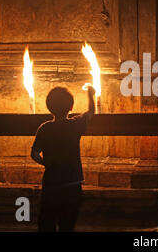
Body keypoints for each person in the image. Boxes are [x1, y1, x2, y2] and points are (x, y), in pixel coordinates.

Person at [30, 85, 95, 232]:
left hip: (51, 185)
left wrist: (45, 163)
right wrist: (91, 94)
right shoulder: (74, 125)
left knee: (47, 223)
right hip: (72, 184)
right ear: (71, 107)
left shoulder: (44, 128)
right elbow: (90, 112)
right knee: (67, 224)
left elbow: (34, 153)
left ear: (49, 107)